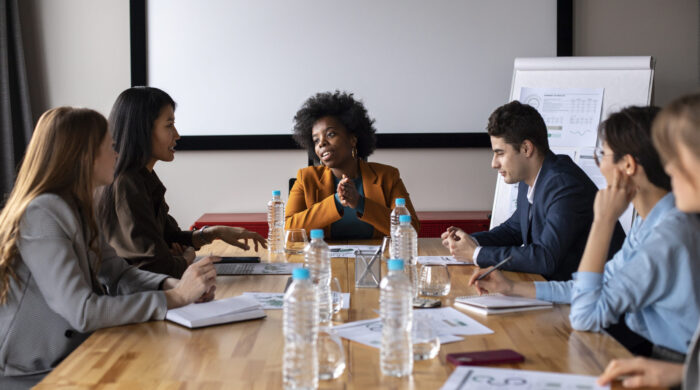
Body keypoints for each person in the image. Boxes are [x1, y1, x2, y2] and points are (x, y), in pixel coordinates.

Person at [0, 107, 218, 388]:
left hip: (75, 353)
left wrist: (174, 285)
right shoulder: (43, 212)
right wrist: (176, 299)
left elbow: (118, 275)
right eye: (111, 146)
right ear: (84, 156)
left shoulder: (77, 206)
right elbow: (82, 311)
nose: (117, 154)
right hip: (33, 371)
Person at [469, 106, 700, 367]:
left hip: (669, 360)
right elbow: (592, 288)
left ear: (628, 165)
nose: (599, 166)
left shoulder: (666, 233)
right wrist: (514, 288)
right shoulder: (649, 224)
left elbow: (585, 314)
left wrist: (604, 220)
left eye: (603, 155)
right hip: (667, 360)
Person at [443, 100, 625, 281]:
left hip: (593, 300)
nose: (494, 163)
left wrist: (476, 253)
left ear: (526, 148)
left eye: (500, 153)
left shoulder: (564, 185)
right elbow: (513, 230)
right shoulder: (532, 177)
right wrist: (468, 242)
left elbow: (545, 257)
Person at [97, 87, 266, 278]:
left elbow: (171, 236)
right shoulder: (127, 183)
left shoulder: (143, 177)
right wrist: (187, 257)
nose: (177, 135)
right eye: (169, 125)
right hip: (143, 299)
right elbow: (155, 266)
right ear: (142, 129)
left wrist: (212, 233)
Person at [596, 95, 700, 389]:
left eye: (678, 158)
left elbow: (591, 310)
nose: (668, 170)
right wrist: (681, 374)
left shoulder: (676, 229)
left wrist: (603, 222)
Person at [285, 90, 419, 239]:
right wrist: (336, 201)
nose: (321, 143)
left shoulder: (387, 176)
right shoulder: (306, 178)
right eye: (316, 140)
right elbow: (288, 231)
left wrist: (359, 203)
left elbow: (411, 230)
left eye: (330, 134)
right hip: (323, 259)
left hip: (378, 260)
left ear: (353, 139)